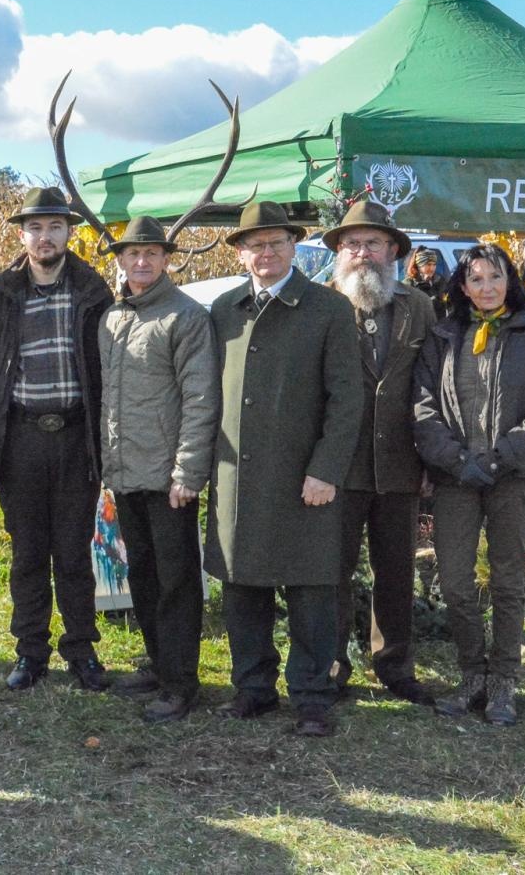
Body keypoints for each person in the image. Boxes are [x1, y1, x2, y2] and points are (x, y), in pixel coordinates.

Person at [205, 201, 363, 737]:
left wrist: (326, 469)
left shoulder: (327, 309)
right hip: (236, 477)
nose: (265, 253)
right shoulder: (224, 309)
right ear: (241, 252)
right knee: (241, 586)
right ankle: (253, 688)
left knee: (311, 589)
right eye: (254, 245)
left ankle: (313, 696)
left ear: (294, 247)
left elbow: (347, 399)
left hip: (303, 476)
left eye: (275, 243)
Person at [413, 243, 525, 726]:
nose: (487, 288)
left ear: (511, 280)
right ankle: (472, 674)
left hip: (515, 477)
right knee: (456, 582)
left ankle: (503, 680)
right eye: (476, 279)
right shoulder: (443, 335)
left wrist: (501, 459)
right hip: (457, 476)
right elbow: (422, 407)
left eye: (495, 278)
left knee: (506, 582)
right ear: (462, 286)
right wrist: (456, 460)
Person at [0, 186, 114, 692]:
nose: (45, 236)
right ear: (23, 233)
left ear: (68, 232)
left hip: (77, 437)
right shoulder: (3, 295)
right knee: (28, 553)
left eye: (55, 227)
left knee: (74, 552)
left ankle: (81, 650)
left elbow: (108, 372)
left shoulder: (93, 291)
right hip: (22, 439)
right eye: (36, 227)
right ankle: (30, 651)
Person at [97, 217, 217, 723]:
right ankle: (158, 663)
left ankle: (181, 682)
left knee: (176, 581)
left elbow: (200, 396)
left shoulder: (185, 317)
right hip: (125, 473)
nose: (141, 262)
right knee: (142, 575)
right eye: (132, 254)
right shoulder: (112, 318)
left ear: (166, 259)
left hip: (169, 479)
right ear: (120, 261)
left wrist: (187, 473)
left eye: (151, 253)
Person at [321, 201, 436, 706]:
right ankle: (329, 664)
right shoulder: (319, 305)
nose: (362, 253)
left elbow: (435, 384)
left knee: (395, 569)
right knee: (330, 570)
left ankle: (394, 664)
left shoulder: (419, 307)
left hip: (399, 464)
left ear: (393, 250)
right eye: (353, 244)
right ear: (339, 252)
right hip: (335, 467)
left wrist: (432, 456)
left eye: (373, 244)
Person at [407, 247, 447, 316]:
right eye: (428, 264)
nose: (432, 268)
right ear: (419, 266)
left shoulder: (439, 281)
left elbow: (446, 304)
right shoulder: (409, 284)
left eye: (434, 264)